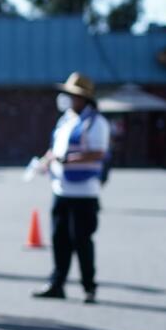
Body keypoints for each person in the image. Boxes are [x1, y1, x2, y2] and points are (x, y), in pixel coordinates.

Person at [33, 72, 110, 304]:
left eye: (73, 95)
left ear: (84, 98)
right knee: (59, 239)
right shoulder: (65, 119)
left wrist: (68, 160)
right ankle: (57, 284)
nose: (68, 99)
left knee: (82, 240)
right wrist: (45, 161)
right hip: (61, 189)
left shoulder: (97, 122)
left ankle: (89, 287)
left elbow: (98, 153)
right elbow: (54, 148)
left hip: (84, 192)